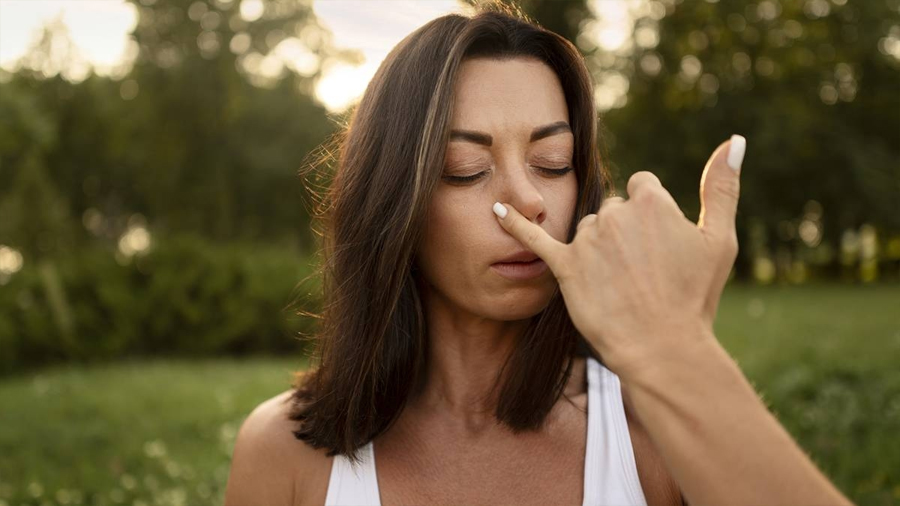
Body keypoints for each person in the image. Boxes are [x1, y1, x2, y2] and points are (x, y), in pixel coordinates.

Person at [224, 3, 854, 506]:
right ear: (394, 204)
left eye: (552, 162)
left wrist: (679, 350)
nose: (529, 201)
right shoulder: (284, 452)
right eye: (464, 168)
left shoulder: (652, 433)